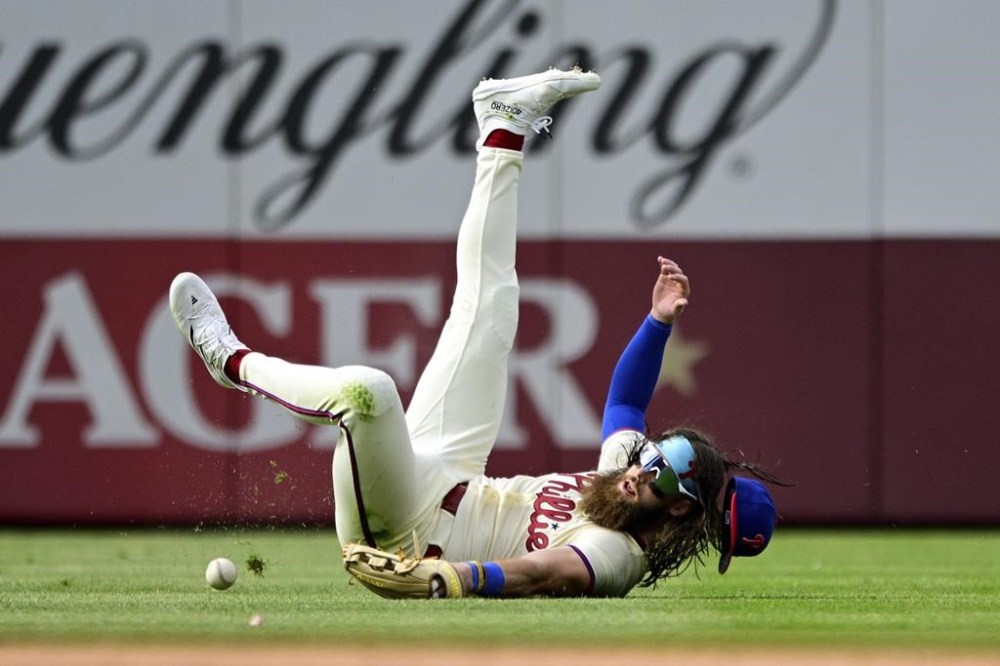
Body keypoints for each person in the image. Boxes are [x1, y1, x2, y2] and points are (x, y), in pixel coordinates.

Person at [169, 67, 783, 598]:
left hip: (411, 531)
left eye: (666, 475)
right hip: (452, 469)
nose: (645, 469)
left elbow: (545, 574)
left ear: (681, 509)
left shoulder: (620, 556)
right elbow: (626, 401)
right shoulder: (627, 473)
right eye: (660, 455)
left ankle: (232, 360)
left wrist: (447, 580)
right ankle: (503, 128)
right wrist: (657, 324)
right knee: (491, 308)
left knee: (369, 395)